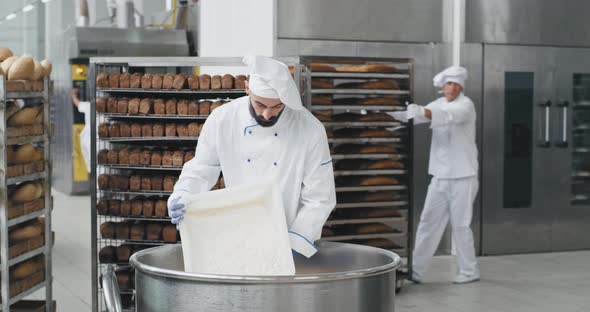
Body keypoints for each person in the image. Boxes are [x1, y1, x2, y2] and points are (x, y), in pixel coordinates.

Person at [167, 55, 336, 258]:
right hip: (238, 234)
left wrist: (297, 242)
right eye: (260, 105)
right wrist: (182, 195)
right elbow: (202, 169)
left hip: (287, 236)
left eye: (277, 107)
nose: (267, 115)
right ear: (247, 88)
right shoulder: (223, 120)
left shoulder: (310, 130)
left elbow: (320, 198)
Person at [393, 66, 479, 284]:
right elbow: (420, 117)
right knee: (427, 223)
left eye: (456, 84)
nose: (452, 88)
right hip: (440, 176)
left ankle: (470, 271)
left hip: (463, 176)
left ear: (461, 87)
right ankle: (417, 271)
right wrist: (397, 115)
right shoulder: (438, 103)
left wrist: (421, 111)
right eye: (449, 84)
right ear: (443, 86)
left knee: (460, 225)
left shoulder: (466, 105)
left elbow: (442, 116)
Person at [71, 88, 92, 173]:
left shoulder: (89, 105)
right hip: (93, 138)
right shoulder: (89, 106)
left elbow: (77, 103)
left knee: (91, 161)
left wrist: (73, 95)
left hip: (89, 139)